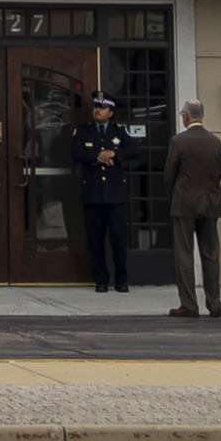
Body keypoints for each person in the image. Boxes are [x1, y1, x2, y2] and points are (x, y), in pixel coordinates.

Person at [164, 96, 221, 317]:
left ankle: (189, 304)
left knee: (184, 253)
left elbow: (169, 175)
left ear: (185, 116)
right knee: (211, 253)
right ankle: (215, 303)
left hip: (184, 202)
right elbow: (219, 171)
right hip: (210, 201)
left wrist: (172, 196)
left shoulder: (178, 141)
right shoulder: (215, 141)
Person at [74, 92, 137, 294]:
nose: (96, 110)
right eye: (95, 107)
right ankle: (101, 280)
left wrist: (115, 154)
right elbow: (76, 153)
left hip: (115, 195)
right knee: (95, 239)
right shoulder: (84, 131)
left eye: (101, 108)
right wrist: (98, 158)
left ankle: (121, 280)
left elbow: (135, 150)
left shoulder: (119, 131)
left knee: (118, 239)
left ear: (111, 112)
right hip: (93, 194)